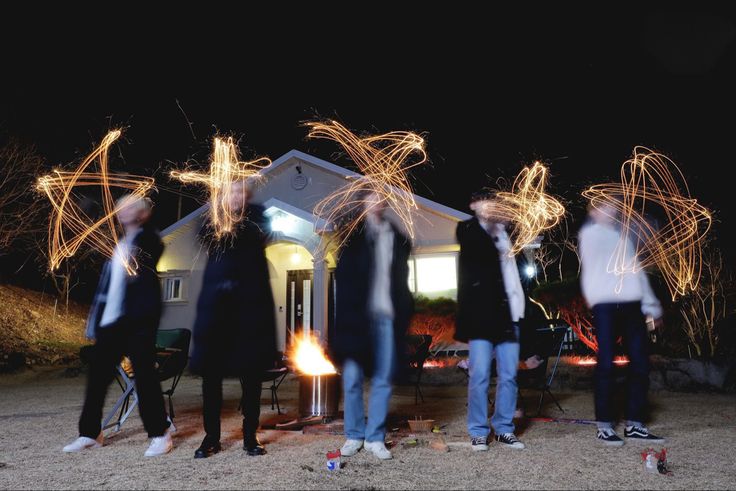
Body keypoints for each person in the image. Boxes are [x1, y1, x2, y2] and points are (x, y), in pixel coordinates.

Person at [63, 195, 172, 457]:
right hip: (111, 322)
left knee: (144, 376)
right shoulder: (119, 243)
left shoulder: (149, 240)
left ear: (143, 214)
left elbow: (147, 256)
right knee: (97, 379)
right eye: (120, 206)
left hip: (137, 321)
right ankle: (90, 433)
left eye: (130, 207)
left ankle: (160, 433)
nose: (122, 210)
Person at [189, 179, 277, 458]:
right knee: (211, 376)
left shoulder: (258, 218)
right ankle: (211, 437)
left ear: (248, 196)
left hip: (249, 311)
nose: (237, 196)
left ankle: (251, 435)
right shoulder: (212, 220)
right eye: (231, 192)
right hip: (217, 309)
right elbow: (203, 236)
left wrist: (237, 219)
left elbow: (259, 236)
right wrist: (219, 212)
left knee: (251, 375)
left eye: (241, 192)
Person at [330, 191, 414, 461]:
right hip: (357, 321)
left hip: (387, 318)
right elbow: (343, 278)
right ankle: (354, 434)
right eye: (372, 197)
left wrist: (405, 309)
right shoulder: (352, 236)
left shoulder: (396, 237)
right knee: (352, 378)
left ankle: (375, 438)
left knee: (383, 378)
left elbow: (401, 280)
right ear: (362, 202)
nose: (378, 201)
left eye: (381, 197)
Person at [579, 198, 665, 446]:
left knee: (640, 362)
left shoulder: (623, 237)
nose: (613, 211)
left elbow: (635, 270)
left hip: (631, 304)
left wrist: (651, 306)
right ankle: (604, 425)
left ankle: (635, 423)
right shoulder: (590, 235)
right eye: (607, 207)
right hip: (606, 304)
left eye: (614, 207)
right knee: (605, 362)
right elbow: (596, 267)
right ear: (594, 211)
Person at [455, 190, 526, 451]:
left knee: (509, 374)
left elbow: (515, 274)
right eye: (485, 202)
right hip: (481, 317)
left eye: (494, 203)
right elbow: (477, 250)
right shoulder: (468, 230)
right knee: (480, 374)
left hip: (509, 315)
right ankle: (478, 431)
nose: (491, 207)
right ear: (474, 205)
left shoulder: (508, 235)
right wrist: (493, 227)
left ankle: (505, 428)